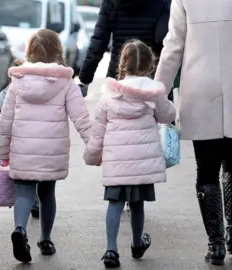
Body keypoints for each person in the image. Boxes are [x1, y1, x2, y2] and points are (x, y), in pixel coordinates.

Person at [154, 0, 232, 265]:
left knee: (207, 167)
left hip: (200, 85)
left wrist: (157, 94)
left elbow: (173, 46)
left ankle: (216, 245)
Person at [0, 29, 92, 263]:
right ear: (58, 52)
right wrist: (95, 146)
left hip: (23, 150)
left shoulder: (18, 82)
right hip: (51, 152)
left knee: (25, 191)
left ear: (29, 52)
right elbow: (82, 119)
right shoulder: (66, 83)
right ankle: (46, 239)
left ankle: (20, 229)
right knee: (47, 194)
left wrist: (2, 151)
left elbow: (5, 121)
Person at [83, 40, 175, 268]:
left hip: (117, 163)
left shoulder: (108, 96)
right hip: (142, 163)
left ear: (122, 64)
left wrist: (92, 157)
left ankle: (111, 250)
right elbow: (168, 116)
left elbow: (98, 133)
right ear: (150, 66)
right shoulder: (153, 92)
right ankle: (136, 244)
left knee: (114, 203)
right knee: (137, 204)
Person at [79, 0, 171, 98]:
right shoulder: (163, 2)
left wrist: (85, 78)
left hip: (119, 75)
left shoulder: (110, 2)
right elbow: (163, 40)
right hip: (150, 76)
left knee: (113, 110)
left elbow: (98, 42)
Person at [0, 59, 41, 219]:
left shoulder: (15, 85)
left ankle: (27, 204)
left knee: (24, 176)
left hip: (19, 139)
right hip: (40, 138)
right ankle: (37, 201)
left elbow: (3, 100)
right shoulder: (47, 83)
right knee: (38, 172)